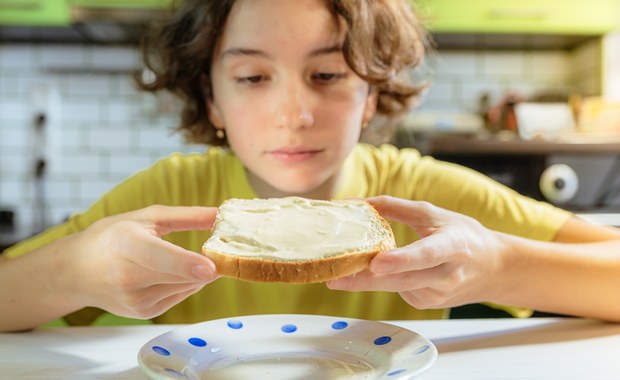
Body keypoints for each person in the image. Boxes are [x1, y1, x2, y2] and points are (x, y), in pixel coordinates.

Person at [1, 0, 620, 333]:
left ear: (372, 94)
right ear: (212, 98)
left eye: (327, 75)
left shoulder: (418, 196)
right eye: (251, 77)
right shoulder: (170, 196)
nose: (293, 113)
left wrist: (500, 267)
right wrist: (71, 271)